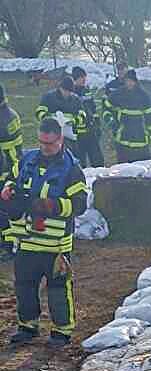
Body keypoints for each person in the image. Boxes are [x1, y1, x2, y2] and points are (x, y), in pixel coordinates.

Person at [1, 117, 87, 347]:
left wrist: (53, 206)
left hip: (55, 244)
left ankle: (62, 331)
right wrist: (8, 191)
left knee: (58, 289)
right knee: (24, 286)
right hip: (27, 240)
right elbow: (11, 179)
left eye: (49, 143)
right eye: (41, 142)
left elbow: (79, 205)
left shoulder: (72, 169)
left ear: (60, 139)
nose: (45, 147)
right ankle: (27, 326)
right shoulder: (26, 160)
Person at [106, 69, 151, 163]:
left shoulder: (143, 96)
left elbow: (149, 117)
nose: (129, 83)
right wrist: (110, 120)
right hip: (122, 139)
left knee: (143, 168)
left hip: (141, 139)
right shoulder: (117, 94)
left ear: (135, 81)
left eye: (131, 81)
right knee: (124, 169)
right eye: (127, 81)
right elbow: (106, 107)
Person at [0, 84, 22, 256]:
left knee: (2, 211)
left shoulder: (2, 119)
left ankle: (8, 246)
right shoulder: (11, 114)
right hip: (12, 166)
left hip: (4, 170)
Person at [36, 75, 86, 142]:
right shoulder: (49, 97)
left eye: (69, 91)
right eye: (65, 90)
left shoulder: (76, 100)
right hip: (51, 135)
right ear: (60, 87)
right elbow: (39, 111)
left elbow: (82, 114)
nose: (67, 93)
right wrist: (48, 119)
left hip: (70, 136)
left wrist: (74, 121)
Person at [72, 66, 104, 167]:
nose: (84, 80)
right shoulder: (71, 93)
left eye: (84, 78)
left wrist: (97, 121)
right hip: (77, 134)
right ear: (75, 79)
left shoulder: (86, 90)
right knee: (80, 161)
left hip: (91, 130)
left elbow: (92, 107)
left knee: (97, 158)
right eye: (82, 78)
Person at [102, 58, 127, 128]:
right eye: (119, 69)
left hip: (129, 123)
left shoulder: (133, 85)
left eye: (123, 69)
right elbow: (105, 105)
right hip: (114, 122)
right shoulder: (111, 85)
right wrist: (109, 119)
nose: (121, 71)